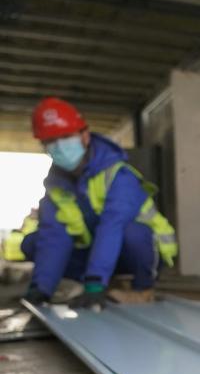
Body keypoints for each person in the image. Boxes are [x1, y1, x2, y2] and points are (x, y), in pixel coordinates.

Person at [21, 97, 177, 309]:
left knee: (134, 233)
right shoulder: (56, 187)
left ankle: (143, 288)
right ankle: (73, 283)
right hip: (96, 250)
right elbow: (54, 237)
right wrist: (41, 288)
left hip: (135, 251)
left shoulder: (118, 175)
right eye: (50, 141)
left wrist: (95, 282)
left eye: (66, 137)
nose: (59, 146)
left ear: (85, 136)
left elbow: (112, 227)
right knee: (33, 241)